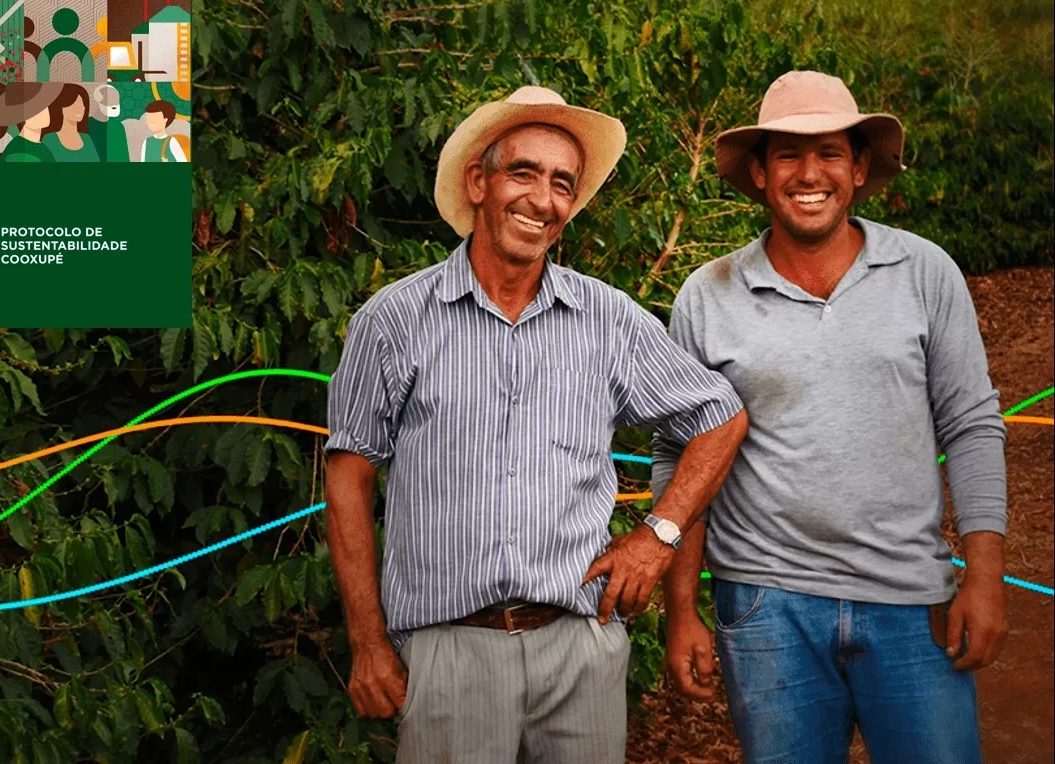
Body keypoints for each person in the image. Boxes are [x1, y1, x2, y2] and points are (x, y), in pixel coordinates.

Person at [324, 86, 749, 763]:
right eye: (523, 172)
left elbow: (719, 415)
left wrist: (657, 536)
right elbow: (348, 477)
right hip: (450, 647)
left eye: (562, 185)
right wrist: (368, 642)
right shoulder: (394, 320)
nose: (542, 199)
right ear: (479, 182)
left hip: (579, 647)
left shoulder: (607, 319)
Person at [654, 70, 1008, 764]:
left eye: (829, 153)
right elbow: (681, 454)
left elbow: (970, 423)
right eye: (787, 153)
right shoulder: (708, 295)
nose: (808, 173)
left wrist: (985, 576)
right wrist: (681, 611)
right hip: (766, 606)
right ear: (759, 172)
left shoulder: (923, 272)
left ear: (859, 167)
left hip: (909, 601)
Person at [0, 82, 62, 163]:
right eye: (34, 110)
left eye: (43, 106)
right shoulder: (20, 151)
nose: (43, 112)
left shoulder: (39, 145)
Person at [42, 84, 101, 162]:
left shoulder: (86, 138)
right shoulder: (49, 140)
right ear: (61, 107)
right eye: (75, 104)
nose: (80, 108)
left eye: (82, 104)